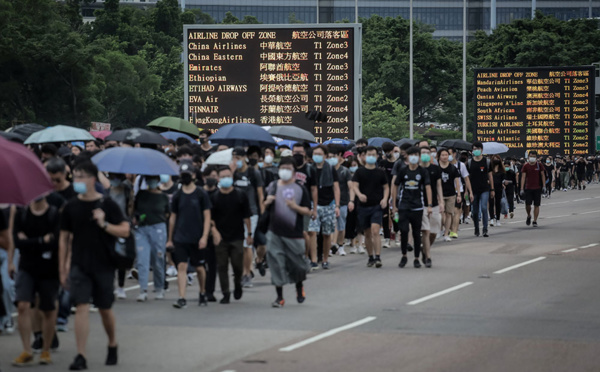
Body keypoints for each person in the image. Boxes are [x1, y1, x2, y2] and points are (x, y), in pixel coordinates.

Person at [59, 161, 130, 370]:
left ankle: (112, 343)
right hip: (79, 264)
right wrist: (62, 267)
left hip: (104, 264)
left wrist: (104, 224)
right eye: (75, 176)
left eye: (80, 176)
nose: (76, 181)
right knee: (81, 306)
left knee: (104, 309)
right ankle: (81, 355)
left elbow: (125, 230)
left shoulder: (107, 204)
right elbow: (64, 238)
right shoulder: (71, 206)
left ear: (92, 179)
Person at [12, 196, 60, 366]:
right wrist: (41, 240)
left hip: (49, 269)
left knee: (48, 309)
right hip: (26, 268)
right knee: (23, 305)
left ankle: (46, 350)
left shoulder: (54, 214)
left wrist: (29, 241)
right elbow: (17, 242)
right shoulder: (21, 214)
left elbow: (54, 243)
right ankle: (27, 350)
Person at [264, 157, 311, 307]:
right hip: (274, 232)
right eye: (282, 167)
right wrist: (267, 202)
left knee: (297, 265)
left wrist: (294, 206)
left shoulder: (300, 189)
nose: (284, 170)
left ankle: (299, 287)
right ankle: (280, 297)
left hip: (294, 233)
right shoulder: (272, 186)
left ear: (294, 171)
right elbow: (262, 208)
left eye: (288, 168)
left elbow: (307, 210)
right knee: (276, 263)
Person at [167, 161, 212, 308]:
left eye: (187, 175)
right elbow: (173, 217)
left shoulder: (201, 193)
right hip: (180, 237)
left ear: (193, 175)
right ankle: (182, 297)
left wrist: (204, 236)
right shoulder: (178, 195)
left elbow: (207, 216)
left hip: (197, 237)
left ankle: (202, 291)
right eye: (182, 175)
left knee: (199, 268)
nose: (185, 177)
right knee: (181, 266)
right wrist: (170, 239)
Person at [210, 167, 252, 304]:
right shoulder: (215, 197)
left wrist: (249, 233)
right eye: (222, 176)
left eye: (228, 176)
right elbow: (211, 218)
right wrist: (214, 231)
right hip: (221, 238)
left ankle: (238, 284)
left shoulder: (240, 195)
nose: (225, 179)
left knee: (237, 265)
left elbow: (246, 216)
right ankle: (225, 293)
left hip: (237, 236)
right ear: (218, 179)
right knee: (222, 266)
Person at [391, 146, 432, 268]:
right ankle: (404, 255)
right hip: (404, 206)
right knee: (404, 231)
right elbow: (395, 186)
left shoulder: (422, 172)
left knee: (416, 233)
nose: (414, 157)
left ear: (419, 157)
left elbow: (428, 187)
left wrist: (429, 205)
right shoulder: (403, 171)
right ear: (407, 157)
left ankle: (416, 258)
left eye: (416, 155)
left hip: (417, 206)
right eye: (411, 155)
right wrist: (394, 205)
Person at [232, 147, 264, 288]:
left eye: (237, 157)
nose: (235, 160)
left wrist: (263, 213)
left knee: (247, 244)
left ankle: (246, 274)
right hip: (235, 213)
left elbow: (260, 194)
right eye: (233, 157)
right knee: (238, 245)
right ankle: (245, 270)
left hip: (251, 212)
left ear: (244, 157)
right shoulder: (232, 174)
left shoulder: (253, 173)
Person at [133, 176, 170, 301]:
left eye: (153, 179)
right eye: (148, 180)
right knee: (142, 260)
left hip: (158, 228)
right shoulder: (141, 194)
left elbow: (167, 214)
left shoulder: (163, 197)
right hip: (142, 229)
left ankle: (159, 287)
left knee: (158, 258)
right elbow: (134, 210)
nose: (151, 182)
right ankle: (143, 290)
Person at [352, 146, 389, 268]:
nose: (371, 157)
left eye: (374, 154)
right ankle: (370, 257)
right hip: (363, 206)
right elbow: (354, 186)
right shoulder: (359, 172)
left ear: (377, 156)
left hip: (377, 206)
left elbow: (386, 187)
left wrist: (384, 199)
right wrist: (359, 194)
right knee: (367, 233)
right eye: (369, 154)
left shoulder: (380, 172)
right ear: (364, 156)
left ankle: (378, 257)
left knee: (375, 231)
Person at [307, 145, 340, 270]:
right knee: (312, 232)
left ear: (325, 156)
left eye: (320, 154)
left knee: (327, 233)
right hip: (313, 204)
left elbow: (336, 188)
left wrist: (337, 205)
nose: (317, 156)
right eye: (315, 153)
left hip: (328, 204)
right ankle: (314, 259)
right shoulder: (309, 169)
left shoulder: (330, 169)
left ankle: (325, 259)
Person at [291, 143, 319, 268]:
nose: (297, 155)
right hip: (289, 205)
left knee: (304, 232)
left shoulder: (309, 169)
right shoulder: (288, 168)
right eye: (295, 152)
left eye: (300, 152)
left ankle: (306, 257)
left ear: (304, 154)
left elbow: (314, 189)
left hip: (305, 205)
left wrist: (314, 208)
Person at [419, 147, 444, 267]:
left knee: (434, 232)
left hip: (434, 203)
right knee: (425, 231)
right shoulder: (416, 169)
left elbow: (439, 186)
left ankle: (424, 248)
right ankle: (427, 256)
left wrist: (441, 202)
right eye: (422, 153)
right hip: (420, 204)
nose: (425, 155)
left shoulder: (435, 169)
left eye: (427, 153)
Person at [327, 145, 353, 256]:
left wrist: (351, 200)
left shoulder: (345, 171)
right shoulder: (326, 170)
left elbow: (350, 187)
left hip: (343, 202)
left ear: (339, 156)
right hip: (328, 202)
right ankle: (330, 246)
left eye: (333, 156)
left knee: (341, 226)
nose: (331, 159)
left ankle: (341, 245)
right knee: (331, 225)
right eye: (328, 157)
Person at [466, 142, 494, 237]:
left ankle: (485, 229)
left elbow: (490, 176)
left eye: (478, 148)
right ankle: (476, 228)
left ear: (482, 150)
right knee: (474, 211)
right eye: (474, 149)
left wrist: (492, 189)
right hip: (473, 190)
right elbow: (467, 178)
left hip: (484, 189)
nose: (476, 150)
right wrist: (467, 191)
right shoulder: (469, 163)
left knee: (484, 207)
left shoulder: (487, 161)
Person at [438, 149, 461, 241]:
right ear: (439, 156)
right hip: (440, 195)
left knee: (449, 214)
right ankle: (440, 229)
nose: (444, 156)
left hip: (451, 194)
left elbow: (457, 182)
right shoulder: (437, 168)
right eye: (442, 155)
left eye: (446, 155)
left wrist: (459, 194)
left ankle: (446, 233)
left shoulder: (453, 168)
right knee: (440, 214)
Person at [520, 151, 546, 227]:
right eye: (531, 156)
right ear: (528, 157)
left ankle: (535, 220)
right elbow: (523, 177)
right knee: (528, 204)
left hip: (537, 188)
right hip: (528, 188)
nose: (532, 158)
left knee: (536, 205)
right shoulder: (526, 166)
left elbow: (542, 175)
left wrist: (544, 186)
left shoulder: (539, 165)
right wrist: (522, 188)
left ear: (536, 157)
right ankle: (529, 215)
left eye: (534, 156)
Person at [489, 155, 506, 226]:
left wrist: (504, 183)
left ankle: (498, 219)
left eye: (497, 159)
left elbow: (504, 179)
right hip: (491, 188)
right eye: (494, 159)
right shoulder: (490, 170)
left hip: (499, 188)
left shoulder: (502, 170)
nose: (496, 160)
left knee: (498, 204)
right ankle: (492, 219)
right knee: (491, 203)